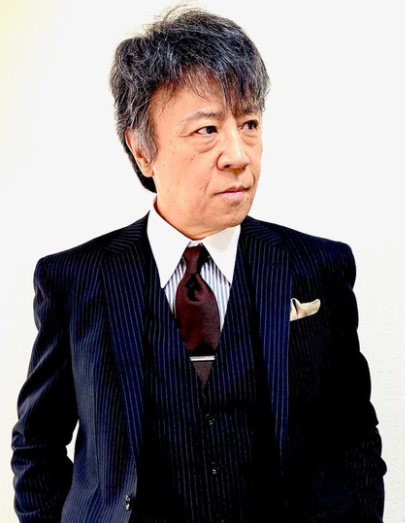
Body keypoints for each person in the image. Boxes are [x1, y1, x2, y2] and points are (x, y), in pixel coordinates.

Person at [11, 6, 386, 523]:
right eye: (207, 129)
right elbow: (37, 446)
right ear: (142, 151)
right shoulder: (75, 280)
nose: (238, 154)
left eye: (249, 124)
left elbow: (355, 433)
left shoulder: (318, 267)